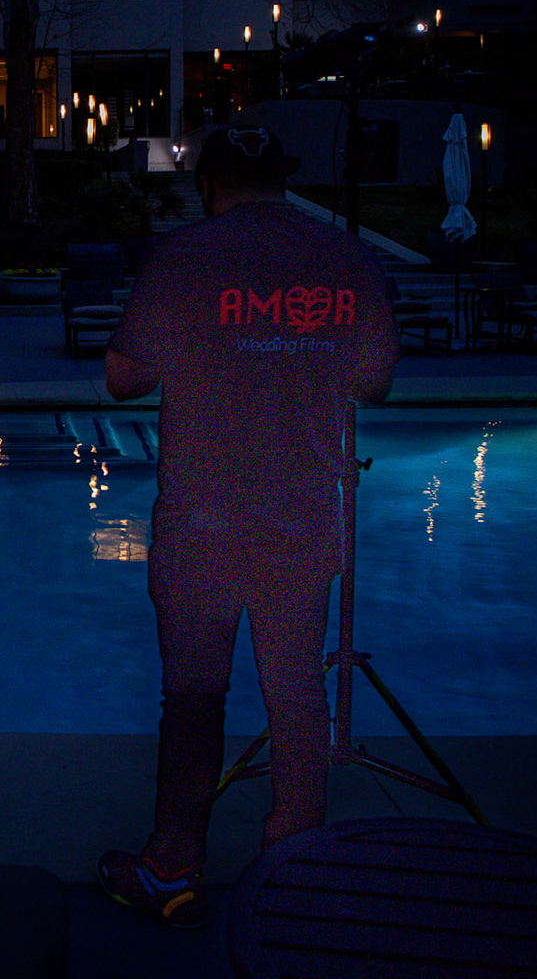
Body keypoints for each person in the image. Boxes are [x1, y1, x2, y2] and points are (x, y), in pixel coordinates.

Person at [95, 125, 399, 928]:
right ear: (281, 182)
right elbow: (375, 382)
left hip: (205, 522)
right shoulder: (346, 258)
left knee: (195, 698)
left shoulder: (185, 258)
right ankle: (294, 867)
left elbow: (123, 378)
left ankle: (172, 869)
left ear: (209, 185)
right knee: (298, 692)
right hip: (302, 517)